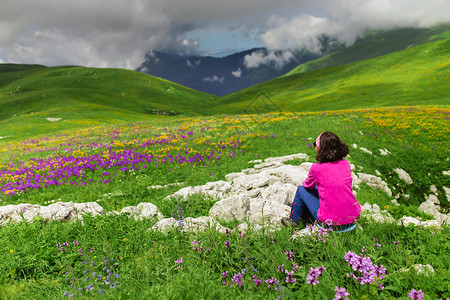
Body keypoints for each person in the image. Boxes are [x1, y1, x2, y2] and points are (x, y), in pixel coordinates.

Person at [281, 131, 361, 232]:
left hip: (329, 224)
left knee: (301, 190)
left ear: (320, 149)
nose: (314, 147)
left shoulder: (316, 168)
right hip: (350, 221)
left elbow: (307, 186)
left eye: (315, 144)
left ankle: (293, 221)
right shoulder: (346, 164)